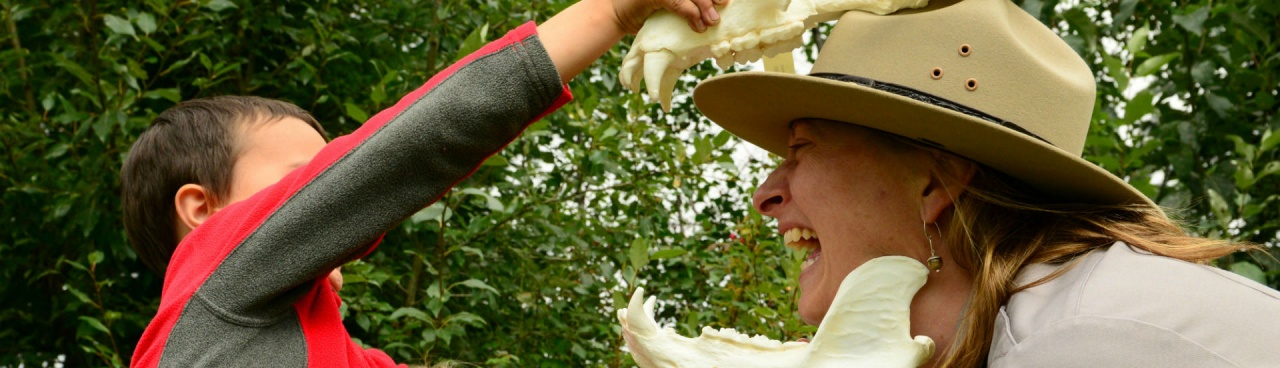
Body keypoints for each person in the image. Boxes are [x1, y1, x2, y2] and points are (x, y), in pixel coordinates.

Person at [119, 0, 725, 366]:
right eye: (302, 177)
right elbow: (400, 153)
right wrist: (611, 12)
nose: (329, 186)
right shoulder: (212, 295)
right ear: (203, 210)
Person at [692, 0, 1280, 366]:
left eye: (801, 148)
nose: (765, 194)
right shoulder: (1053, 318)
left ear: (932, 185)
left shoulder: (1085, 343)